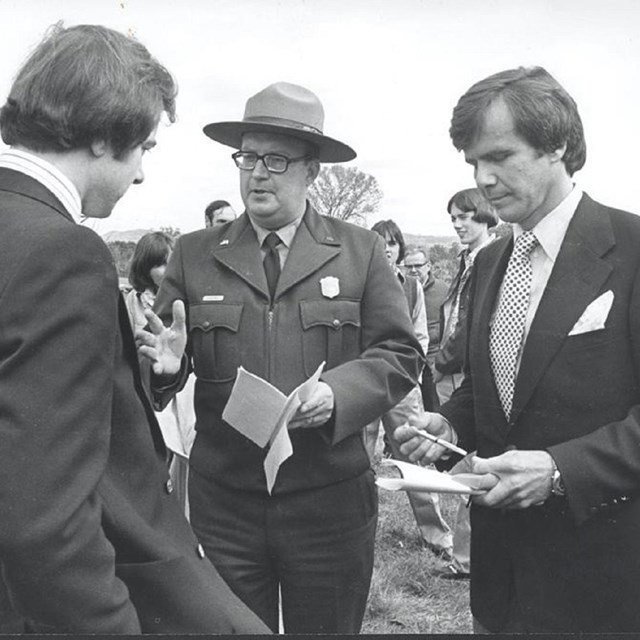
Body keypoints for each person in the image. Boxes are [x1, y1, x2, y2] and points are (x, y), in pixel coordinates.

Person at [0, 23, 268, 634]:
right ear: (101, 136)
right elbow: (43, 521)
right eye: (144, 147)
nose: (143, 174)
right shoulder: (61, 252)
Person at [138, 81, 424, 633]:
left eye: (276, 160)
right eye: (247, 158)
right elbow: (164, 357)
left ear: (312, 171)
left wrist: (339, 393)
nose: (258, 174)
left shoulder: (360, 251)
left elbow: (398, 351)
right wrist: (165, 371)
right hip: (227, 506)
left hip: (329, 501)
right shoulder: (194, 254)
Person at [395, 65, 640, 633]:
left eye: (501, 156)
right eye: (473, 163)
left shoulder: (631, 251)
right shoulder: (488, 263)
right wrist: (451, 425)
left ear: (556, 144)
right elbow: (496, 389)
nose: (483, 177)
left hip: (608, 578)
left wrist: (560, 470)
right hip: (501, 577)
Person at [364, 220, 453, 555]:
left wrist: (408, 377)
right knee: (359, 459)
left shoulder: (412, 287)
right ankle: (360, 534)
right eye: (379, 241)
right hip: (364, 383)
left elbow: (419, 338)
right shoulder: (358, 280)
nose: (386, 247)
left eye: (392, 242)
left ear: (399, 247)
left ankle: (437, 536)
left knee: (414, 458)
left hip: (402, 385)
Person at [125, 231, 195, 517]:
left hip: (179, 393)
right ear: (145, 267)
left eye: (171, 263)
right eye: (160, 264)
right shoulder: (131, 303)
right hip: (145, 392)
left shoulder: (182, 303)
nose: (167, 272)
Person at [435, 188, 497, 405]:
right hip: (453, 368)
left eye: (463, 217)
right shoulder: (468, 258)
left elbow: (469, 324)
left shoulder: (493, 259)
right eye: (453, 218)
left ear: (484, 213)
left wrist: (440, 364)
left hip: (468, 372)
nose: (456, 225)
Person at [404, 244, 448, 409]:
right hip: (408, 361)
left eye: (418, 265)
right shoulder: (401, 291)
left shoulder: (443, 290)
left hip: (433, 363)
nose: (413, 270)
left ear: (428, 266)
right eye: (409, 266)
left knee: (435, 410)